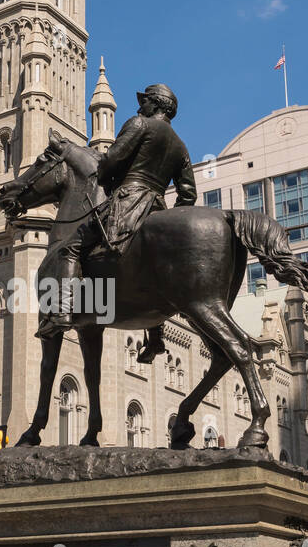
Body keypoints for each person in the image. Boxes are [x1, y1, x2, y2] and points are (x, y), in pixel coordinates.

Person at [38, 83, 197, 349]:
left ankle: (62, 312)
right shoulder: (180, 145)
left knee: (71, 247)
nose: (139, 106)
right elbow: (188, 194)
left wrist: (108, 177)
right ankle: (156, 338)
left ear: (155, 104)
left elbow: (111, 159)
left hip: (127, 204)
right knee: (154, 271)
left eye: (144, 101)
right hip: (157, 209)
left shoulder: (139, 124)